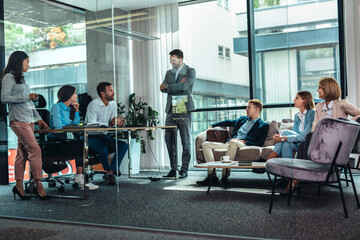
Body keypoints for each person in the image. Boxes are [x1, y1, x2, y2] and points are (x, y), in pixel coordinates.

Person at [1, 51, 50, 200]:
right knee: (35, 149)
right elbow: (4, 98)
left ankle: (19, 186)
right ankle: (38, 184)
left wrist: (38, 118)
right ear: (19, 61)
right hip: (18, 120)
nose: (29, 64)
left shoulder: (22, 79)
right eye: (27, 62)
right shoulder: (9, 77)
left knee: (21, 154)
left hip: (29, 120)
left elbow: (29, 103)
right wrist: (26, 96)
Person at [196, 99, 269, 187]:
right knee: (205, 144)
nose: (246, 109)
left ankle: (224, 176)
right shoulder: (243, 119)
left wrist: (243, 141)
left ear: (257, 110)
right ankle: (212, 176)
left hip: (243, 144)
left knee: (233, 142)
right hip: (230, 143)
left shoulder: (263, 125)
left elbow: (260, 142)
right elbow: (228, 122)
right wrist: (213, 125)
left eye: (249, 107)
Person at [49, 85, 98, 190]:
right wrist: (70, 127)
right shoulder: (56, 107)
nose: (76, 95)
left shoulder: (70, 109)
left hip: (66, 139)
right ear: (68, 94)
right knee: (80, 147)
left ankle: (80, 176)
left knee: (81, 145)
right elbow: (57, 127)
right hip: (55, 142)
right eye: (75, 93)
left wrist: (76, 111)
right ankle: (80, 177)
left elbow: (76, 124)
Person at [160, 49, 196, 178]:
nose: (171, 62)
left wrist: (168, 87)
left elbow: (184, 86)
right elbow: (161, 88)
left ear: (181, 58)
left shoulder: (190, 71)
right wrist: (173, 86)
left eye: (173, 60)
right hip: (171, 107)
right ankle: (174, 168)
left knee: (185, 140)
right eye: (170, 59)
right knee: (168, 139)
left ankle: (184, 169)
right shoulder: (169, 73)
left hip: (182, 104)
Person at [86, 82, 129, 185]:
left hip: (104, 136)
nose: (113, 92)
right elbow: (91, 125)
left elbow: (113, 122)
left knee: (123, 145)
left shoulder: (113, 104)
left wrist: (118, 123)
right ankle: (110, 171)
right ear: (102, 93)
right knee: (103, 149)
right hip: (91, 136)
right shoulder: (93, 105)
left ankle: (110, 172)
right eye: (110, 91)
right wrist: (108, 123)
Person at [267, 91, 315, 160]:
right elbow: (294, 134)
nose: (294, 100)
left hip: (307, 144)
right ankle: (288, 168)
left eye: (297, 98)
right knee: (286, 143)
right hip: (298, 143)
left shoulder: (311, 114)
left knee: (285, 133)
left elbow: (304, 137)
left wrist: (283, 138)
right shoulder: (297, 116)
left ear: (304, 100)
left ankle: (269, 160)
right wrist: (282, 139)